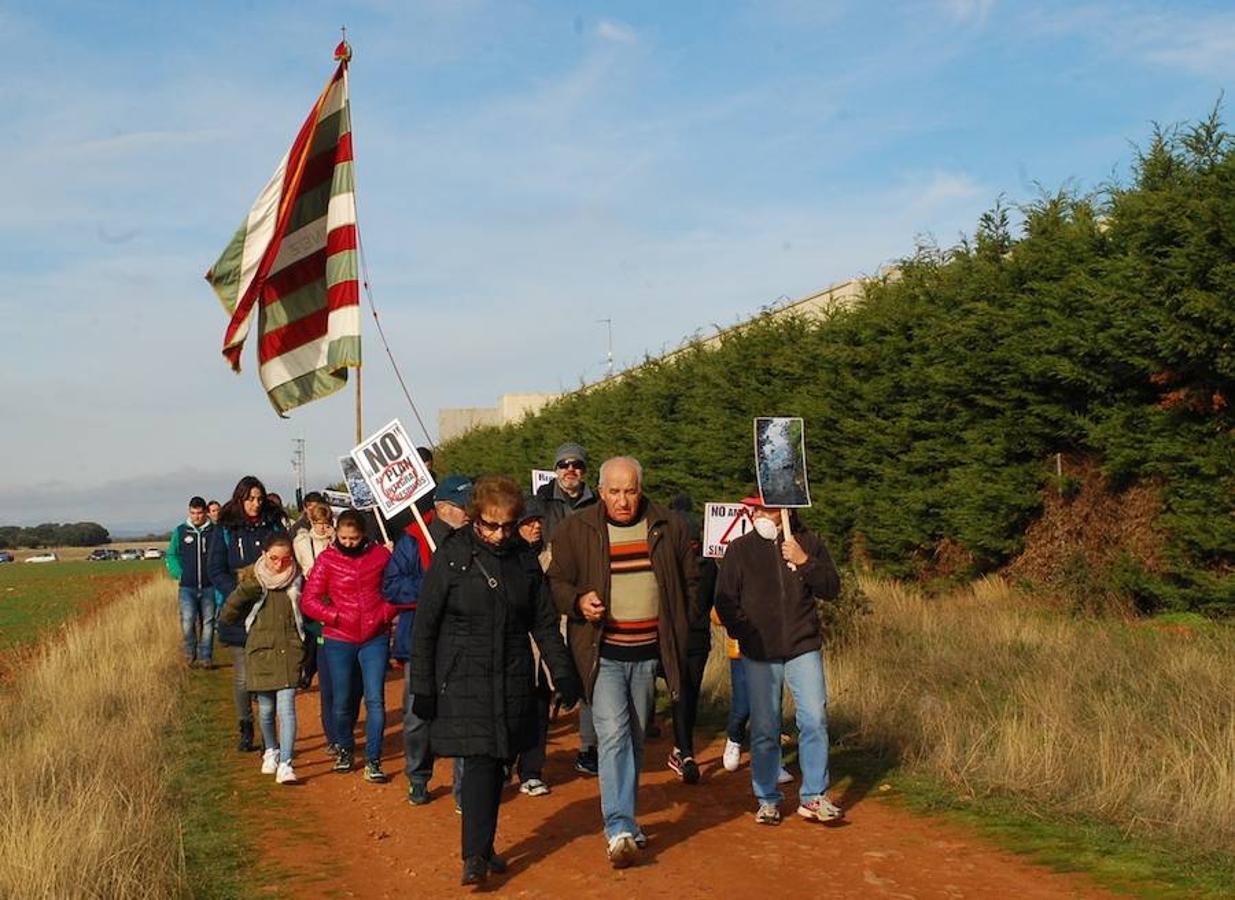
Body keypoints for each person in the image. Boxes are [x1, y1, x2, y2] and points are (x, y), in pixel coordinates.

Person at [410, 476, 579, 885]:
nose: (499, 534)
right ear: (474, 518)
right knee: (482, 761)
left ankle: (483, 847)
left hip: (513, 671)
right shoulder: (451, 556)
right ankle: (474, 857)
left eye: (507, 525)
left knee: (500, 761)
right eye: (490, 524)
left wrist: (562, 671)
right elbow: (425, 626)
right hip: (463, 673)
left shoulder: (524, 559)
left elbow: (542, 621)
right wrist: (424, 686)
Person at [547, 456, 698, 869]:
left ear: (640, 489)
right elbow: (556, 583)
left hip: (648, 654)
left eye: (630, 490)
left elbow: (690, 581)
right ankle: (617, 828)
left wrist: (682, 626)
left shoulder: (668, 525)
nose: (623, 500)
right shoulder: (576, 530)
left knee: (632, 737)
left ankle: (627, 819)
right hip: (603, 653)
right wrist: (578, 602)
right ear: (600, 491)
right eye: (614, 491)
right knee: (613, 736)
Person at [713, 495, 843, 826]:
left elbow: (831, 588)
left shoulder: (809, 542)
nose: (757, 513)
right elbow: (725, 601)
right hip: (759, 652)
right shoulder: (740, 549)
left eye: (765, 508)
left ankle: (814, 796)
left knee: (814, 719)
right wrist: (747, 634)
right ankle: (767, 798)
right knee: (765, 727)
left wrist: (804, 561)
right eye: (754, 508)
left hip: (803, 647)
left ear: (786, 510)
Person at [389, 473, 472, 807]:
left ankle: (465, 791)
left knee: (467, 714)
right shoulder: (411, 540)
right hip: (421, 642)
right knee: (417, 715)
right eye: (462, 506)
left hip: (466, 642)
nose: (469, 512)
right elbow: (392, 587)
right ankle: (418, 776)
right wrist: (431, 589)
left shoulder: (476, 538)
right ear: (441, 507)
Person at [299, 509, 397, 782]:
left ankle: (374, 759)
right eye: (344, 537)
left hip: (374, 637)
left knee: (375, 698)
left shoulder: (380, 556)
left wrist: (384, 614)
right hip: (339, 638)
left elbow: (396, 589)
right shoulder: (327, 560)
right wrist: (335, 616)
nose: (349, 542)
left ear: (363, 534)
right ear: (336, 534)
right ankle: (344, 748)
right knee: (341, 700)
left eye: (354, 538)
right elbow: (309, 600)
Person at [535, 442, 601, 777]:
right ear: (555, 469)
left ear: (585, 470)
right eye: (563, 465)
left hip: (585, 600)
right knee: (543, 682)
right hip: (547, 603)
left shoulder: (600, 503)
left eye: (576, 465)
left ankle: (589, 747)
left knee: (589, 674)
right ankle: (532, 757)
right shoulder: (540, 504)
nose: (570, 470)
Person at [218, 535, 305, 784]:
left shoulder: (299, 581)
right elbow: (228, 615)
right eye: (274, 558)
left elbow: (308, 614)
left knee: (287, 710)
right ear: (264, 554)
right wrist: (245, 592)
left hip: (289, 652)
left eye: (286, 559)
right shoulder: (252, 580)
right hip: (261, 654)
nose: (280, 565)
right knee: (266, 710)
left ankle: (286, 764)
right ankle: (271, 749)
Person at [209, 476, 286, 753]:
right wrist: (240, 593)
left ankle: (270, 734)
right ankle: (246, 726)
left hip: (270, 609)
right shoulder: (226, 529)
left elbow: (286, 560)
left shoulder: (273, 526)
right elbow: (216, 569)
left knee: (271, 675)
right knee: (243, 676)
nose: (255, 504)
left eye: (259, 498)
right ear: (240, 499)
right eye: (250, 498)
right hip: (240, 610)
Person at [294, 502, 354, 753]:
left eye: (326, 524)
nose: (322, 528)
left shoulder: (338, 543)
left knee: (348, 684)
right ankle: (333, 737)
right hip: (317, 614)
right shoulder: (303, 543)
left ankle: (342, 732)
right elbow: (307, 571)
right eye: (318, 524)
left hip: (342, 613)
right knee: (328, 682)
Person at [666, 492, 717, 785]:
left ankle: (682, 750)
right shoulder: (668, 564)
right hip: (672, 637)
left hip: (694, 640)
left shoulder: (709, 566)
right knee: (680, 692)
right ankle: (683, 751)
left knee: (687, 694)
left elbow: (716, 603)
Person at [514, 497, 554, 797]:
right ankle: (502, 765)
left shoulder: (554, 557)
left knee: (540, 710)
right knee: (510, 710)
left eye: (538, 521)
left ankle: (531, 770)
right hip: (512, 648)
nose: (535, 526)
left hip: (543, 649)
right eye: (528, 522)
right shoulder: (504, 558)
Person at [166, 495, 217, 668]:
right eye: (193, 513)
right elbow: (171, 554)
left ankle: (206, 657)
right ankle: (190, 653)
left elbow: (222, 554)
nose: (196, 516)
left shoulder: (215, 532)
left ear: (205, 513)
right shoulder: (180, 531)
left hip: (209, 586)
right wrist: (178, 573)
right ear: (189, 512)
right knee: (187, 621)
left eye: (200, 513)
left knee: (208, 622)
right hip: (187, 587)